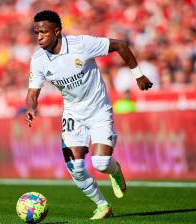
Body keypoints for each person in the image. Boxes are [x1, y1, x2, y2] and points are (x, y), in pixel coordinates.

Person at [25, 10, 153, 220]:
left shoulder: (81, 45)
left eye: (44, 32)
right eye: (36, 32)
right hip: (73, 114)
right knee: (75, 168)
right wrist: (31, 107)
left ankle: (114, 170)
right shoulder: (38, 60)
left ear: (57, 31)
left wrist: (138, 75)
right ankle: (102, 205)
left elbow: (120, 45)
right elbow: (31, 94)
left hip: (98, 109)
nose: (39, 36)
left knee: (101, 163)